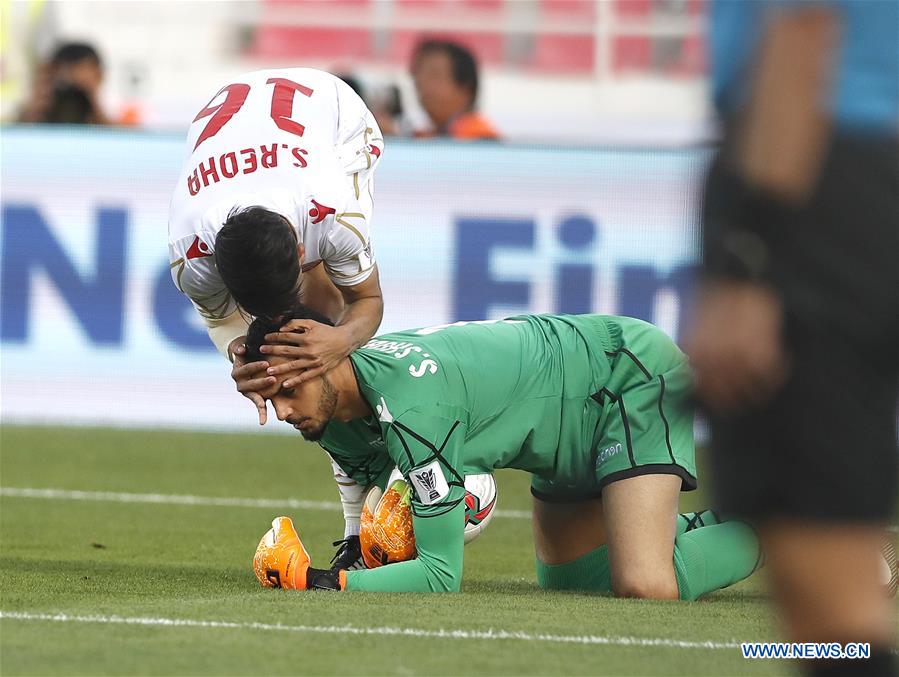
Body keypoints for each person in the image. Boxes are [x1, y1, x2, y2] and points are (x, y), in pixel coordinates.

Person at [248, 307, 761, 594]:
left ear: (327, 360)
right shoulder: (334, 409)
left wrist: (319, 582)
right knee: (573, 580)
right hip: (564, 427)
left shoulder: (416, 410)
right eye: (273, 396)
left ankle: (787, 528)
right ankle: (680, 527)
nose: (285, 411)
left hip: (623, 377)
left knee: (646, 585)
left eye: (289, 391)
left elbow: (439, 576)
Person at [685, 2, 898, 675]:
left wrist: (744, 256)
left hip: (815, 169)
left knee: (826, 601)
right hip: (845, 165)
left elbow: (801, 23)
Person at [168, 67, 387, 570]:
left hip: (335, 122)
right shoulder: (191, 255)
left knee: (325, 319)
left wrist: (336, 342)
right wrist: (244, 357)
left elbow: (368, 304)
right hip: (245, 142)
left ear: (298, 246)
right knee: (288, 352)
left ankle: (362, 523)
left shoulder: (332, 215)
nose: (275, 314)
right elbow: (224, 322)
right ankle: (361, 517)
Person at [410, 39, 499, 141]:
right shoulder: (437, 135)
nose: (421, 82)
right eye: (418, 73)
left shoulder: (479, 138)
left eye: (434, 75)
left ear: (465, 87)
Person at [18, 42, 112, 125]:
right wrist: (35, 108)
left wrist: (92, 103)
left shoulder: (116, 109)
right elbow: (16, 134)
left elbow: (117, 136)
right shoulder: (40, 104)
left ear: (99, 75)